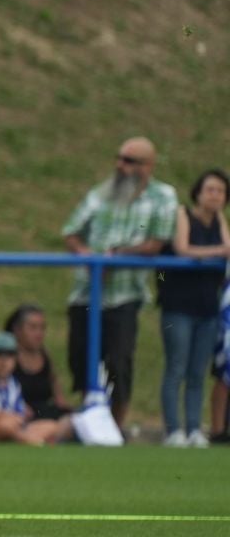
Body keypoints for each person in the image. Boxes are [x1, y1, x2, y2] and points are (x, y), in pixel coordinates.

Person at [61, 137, 178, 425]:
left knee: (119, 361)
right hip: (86, 292)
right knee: (81, 357)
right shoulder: (101, 193)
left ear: (148, 166)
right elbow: (71, 232)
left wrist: (116, 256)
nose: (119, 165)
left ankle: (115, 425)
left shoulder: (162, 197)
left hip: (125, 295)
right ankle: (90, 420)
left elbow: (156, 242)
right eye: (119, 158)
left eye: (128, 161)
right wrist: (87, 255)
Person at [159, 169, 228, 446]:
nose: (215, 196)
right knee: (176, 367)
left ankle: (194, 428)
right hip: (179, 306)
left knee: (198, 372)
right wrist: (217, 253)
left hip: (207, 307)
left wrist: (220, 247)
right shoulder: (183, 214)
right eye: (210, 189)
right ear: (198, 193)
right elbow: (183, 248)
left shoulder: (219, 220)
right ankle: (173, 430)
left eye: (221, 191)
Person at [0, 331, 72, 445]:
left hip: (17, 425)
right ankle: (29, 440)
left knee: (52, 426)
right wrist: (4, 416)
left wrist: (23, 413)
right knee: (5, 425)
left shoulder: (13, 383)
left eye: (9, 357)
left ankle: (22, 438)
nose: (4, 362)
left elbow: (20, 411)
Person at [5, 304, 72, 425]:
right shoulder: (7, 358)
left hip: (46, 414)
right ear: (17, 330)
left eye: (42, 328)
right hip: (20, 417)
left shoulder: (45, 356)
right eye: (33, 328)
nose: (39, 333)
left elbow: (59, 397)